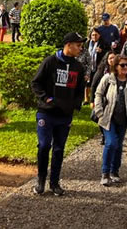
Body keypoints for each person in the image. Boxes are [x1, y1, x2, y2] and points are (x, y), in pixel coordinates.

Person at [30, 32, 87, 196]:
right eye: (78, 45)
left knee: (59, 149)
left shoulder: (78, 67)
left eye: (81, 45)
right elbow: (36, 82)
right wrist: (46, 99)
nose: (80, 48)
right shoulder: (50, 62)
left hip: (65, 116)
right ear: (68, 45)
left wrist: (74, 105)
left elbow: (80, 89)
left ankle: (54, 182)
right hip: (46, 113)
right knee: (44, 145)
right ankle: (40, 180)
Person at [95, 55, 127, 187]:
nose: (125, 67)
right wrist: (99, 112)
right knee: (111, 143)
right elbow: (98, 93)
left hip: (124, 119)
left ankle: (115, 171)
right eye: (122, 65)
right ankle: (105, 172)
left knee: (119, 145)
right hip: (109, 118)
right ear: (115, 66)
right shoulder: (108, 79)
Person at [81, 28, 106, 104]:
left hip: (98, 66)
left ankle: (95, 98)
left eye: (96, 35)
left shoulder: (103, 43)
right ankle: (86, 99)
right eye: (93, 35)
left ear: (99, 35)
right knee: (87, 82)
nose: (94, 36)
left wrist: (101, 51)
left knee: (95, 82)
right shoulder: (88, 43)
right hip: (88, 65)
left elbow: (108, 52)